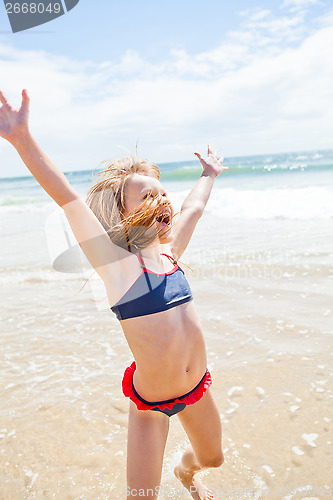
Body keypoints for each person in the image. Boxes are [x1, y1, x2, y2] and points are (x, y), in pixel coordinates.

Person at [0, 89, 228, 500]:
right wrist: (21, 138)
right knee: (140, 497)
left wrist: (208, 174)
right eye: (146, 196)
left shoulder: (170, 253)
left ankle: (186, 472)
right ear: (123, 214)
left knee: (213, 459)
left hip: (197, 391)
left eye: (162, 193)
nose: (161, 200)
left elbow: (192, 208)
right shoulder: (117, 268)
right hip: (150, 405)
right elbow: (68, 198)